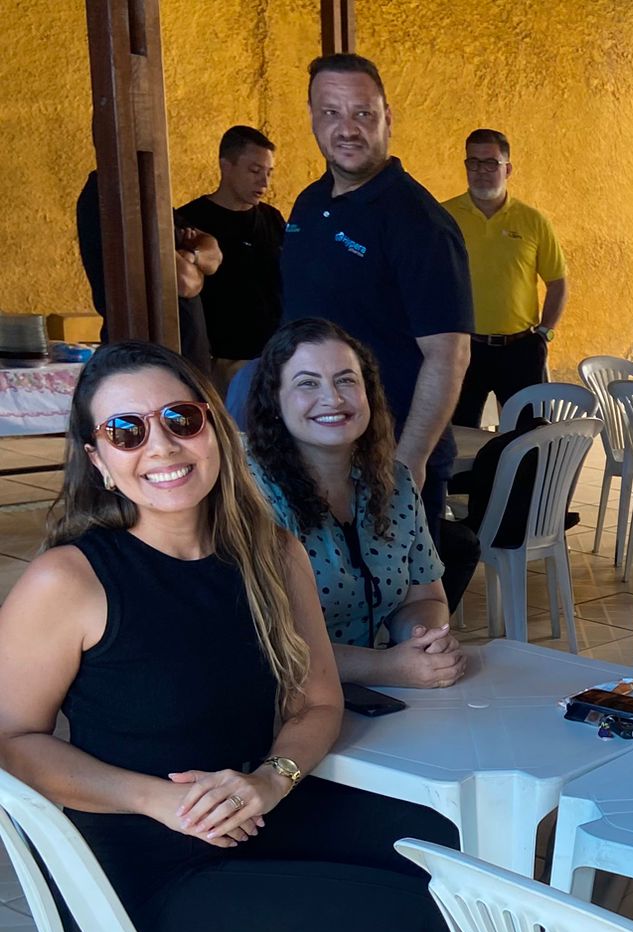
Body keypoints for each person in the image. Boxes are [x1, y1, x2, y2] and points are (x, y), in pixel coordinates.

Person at [0, 341, 480, 932]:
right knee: (410, 919)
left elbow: (317, 705)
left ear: (214, 430)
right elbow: (10, 741)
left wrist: (270, 779)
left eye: (179, 419)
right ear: (98, 460)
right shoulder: (70, 580)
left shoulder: (269, 553)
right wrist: (155, 799)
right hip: (145, 881)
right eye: (126, 431)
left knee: (454, 847)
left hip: (256, 814)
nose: (160, 446)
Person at [281, 52, 474, 567]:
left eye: (363, 113)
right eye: (331, 112)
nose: (347, 128)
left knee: (401, 601)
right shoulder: (308, 204)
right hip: (307, 453)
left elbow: (449, 355)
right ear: (312, 117)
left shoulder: (419, 224)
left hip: (384, 460)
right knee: (313, 598)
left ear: (387, 118)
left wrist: (407, 464)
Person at [245, 318, 468, 686]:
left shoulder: (395, 482)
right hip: (279, 700)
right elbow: (262, 643)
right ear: (275, 402)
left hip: (369, 698)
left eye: (346, 380)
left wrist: (424, 640)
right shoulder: (249, 494)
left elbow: (424, 598)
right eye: (307, 383)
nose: (332, 398)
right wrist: (388, 667)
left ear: (368, 393)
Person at [444, 129, 568, 428]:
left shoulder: (532, 221)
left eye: (491, 163)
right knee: (457, 435)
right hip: (463, 347)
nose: (481, 171)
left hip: (521, 349)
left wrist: (545, 333)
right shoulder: (443, 217)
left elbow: (557, 282)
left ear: (508, 169)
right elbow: (423, 281)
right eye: (473, 162)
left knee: (529, 436)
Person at [175, 125, 286, 394]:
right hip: (221, 363)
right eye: (255, 171)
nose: (264, 182)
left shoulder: (272, 219)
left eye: (269, 173)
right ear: (226, 166)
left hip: (276, 357)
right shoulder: (192, 222)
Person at [76, 170, 219, 378]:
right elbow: (183, 282)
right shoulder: (111, 195)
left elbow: (214, 255)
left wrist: (191, 255)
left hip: (186, 356)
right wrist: (192, 261)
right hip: (149, 358)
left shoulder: (148, 192)